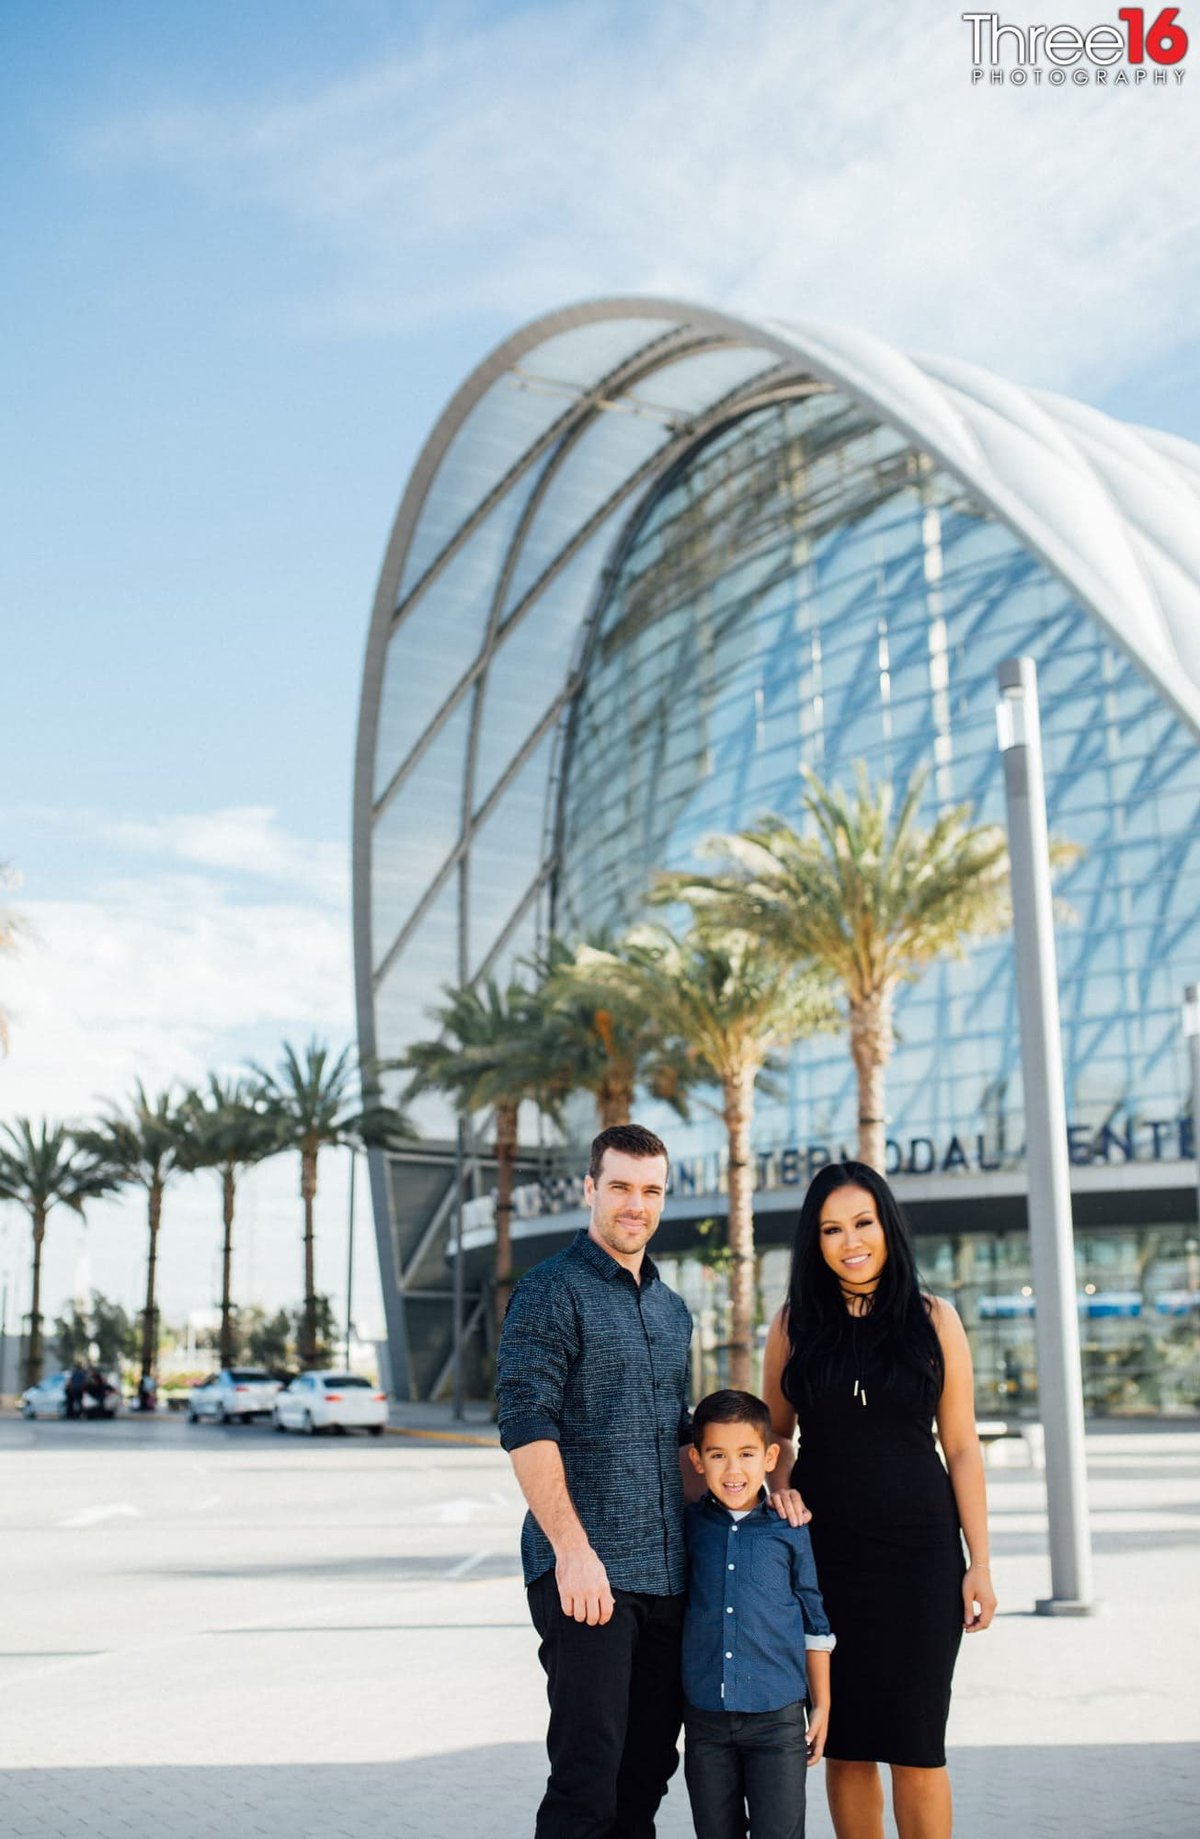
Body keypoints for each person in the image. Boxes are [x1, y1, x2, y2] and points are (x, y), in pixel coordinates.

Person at [497, 1122, 809, 1839]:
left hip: (670, 1578)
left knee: (645, 1775)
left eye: (650, 1190)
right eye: (620, 1187)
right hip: (590, 1574)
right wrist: (572, 1551)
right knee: (588, 1778)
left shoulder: (671, 1310)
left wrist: (764, 1498)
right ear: (590, 1189)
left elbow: (684, 1442)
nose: (635, 1204)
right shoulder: (550, 1291)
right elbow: (527, 1424)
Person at [762, 1161, 996, 1839]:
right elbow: (776, 1431)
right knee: (848, 1741)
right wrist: (783, 1491)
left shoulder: (935, 1320)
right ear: (816, 1241)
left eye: (862, 1222)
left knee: (919, 1745)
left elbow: (962, 1444)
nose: (850, 1240)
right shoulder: (792, 1325)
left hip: (923, 1558)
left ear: (887, 1226)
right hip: (827, 1560)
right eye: (831, 1228)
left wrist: (978, 1561)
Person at [682, 1389, 835, 1839]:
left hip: (778, 1719)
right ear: (697, 1460)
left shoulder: (790, 1528)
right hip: (706, 1720)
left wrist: (821, 1703)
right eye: (718, 1455)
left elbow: (814, 1620)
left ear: (769, 1456)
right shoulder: (690, 1528)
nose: (733, 1470)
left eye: (746, 1454)